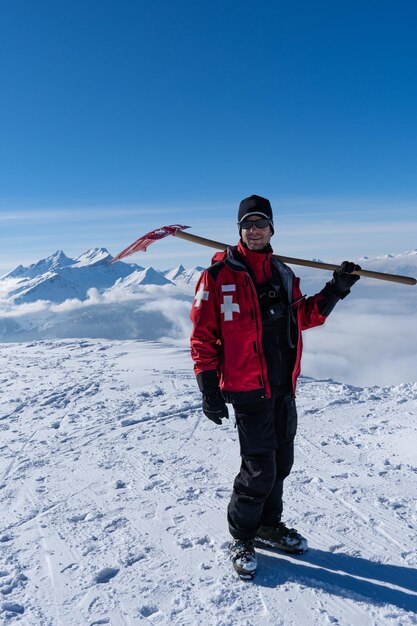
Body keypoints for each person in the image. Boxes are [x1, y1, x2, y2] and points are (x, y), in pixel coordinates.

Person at [190, 195, 361, 578]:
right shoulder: (218, 277)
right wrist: (208, 388)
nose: (254, 230)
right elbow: (203, 336)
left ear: (271, 229)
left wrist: (336, 289)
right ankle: (243, 536)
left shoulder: (282, 273)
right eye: (248, 224)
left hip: (283, 385)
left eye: (261, 223)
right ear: (239, 231)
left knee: (281, 463)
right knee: (258, 469)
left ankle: (268, 525)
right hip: (247, 387)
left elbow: (303, 317)